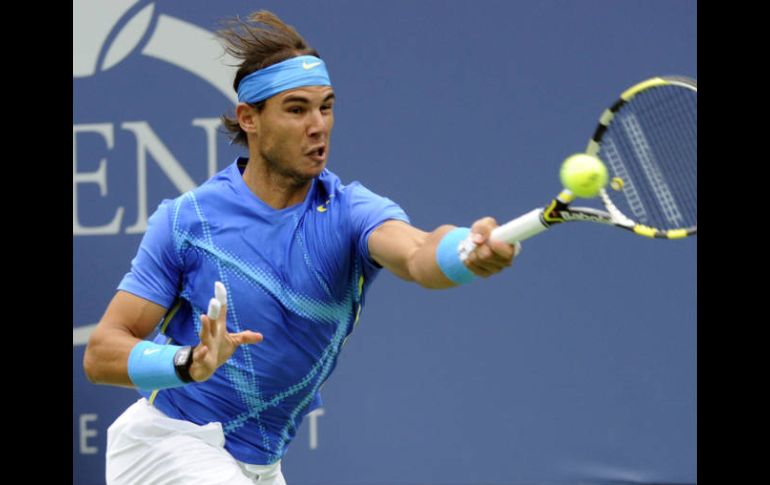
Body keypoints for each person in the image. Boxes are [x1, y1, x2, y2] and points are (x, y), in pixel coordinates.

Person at [83, 10, 518, 485]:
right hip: (168, 443)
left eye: (326, 107)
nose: (318, 126)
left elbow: (418, 254)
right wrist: (189, 362)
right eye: (296, 109)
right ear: (249, 118)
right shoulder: (189, 221)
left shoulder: (351, 211)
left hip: (258, 464)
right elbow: (102, 352)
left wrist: (464, 252)